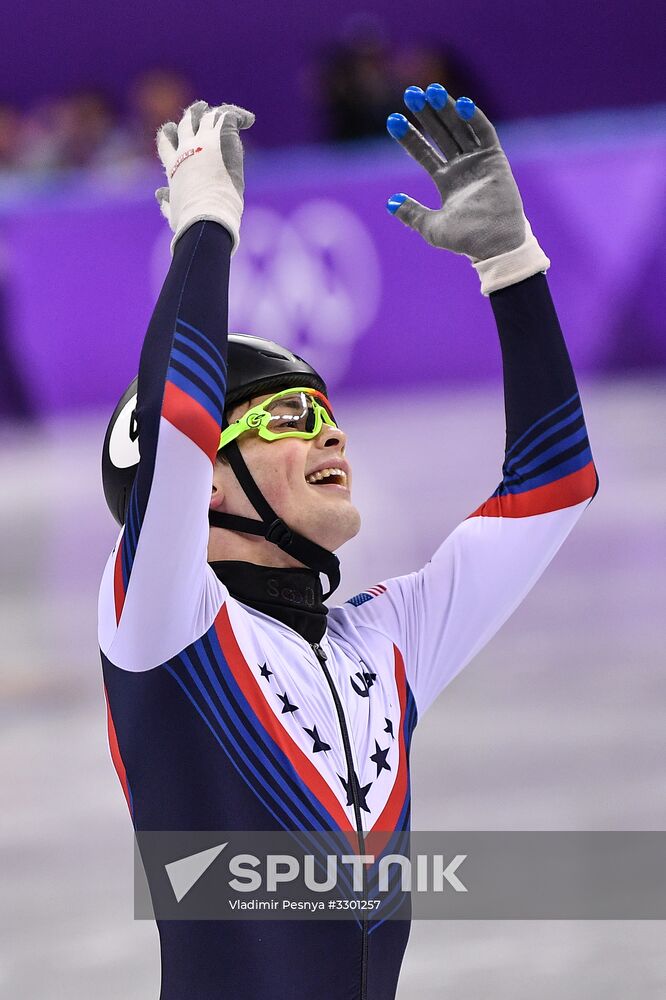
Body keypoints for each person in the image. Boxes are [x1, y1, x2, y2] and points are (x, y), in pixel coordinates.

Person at [99, 89, 597, 999]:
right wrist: (206, 226)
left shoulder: (385, 638)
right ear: (208, 480)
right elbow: (175, 416)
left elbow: (554, 486)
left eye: (329, 413)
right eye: (290, 415)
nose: (331, 435)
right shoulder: (162, 627)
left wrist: (511, 264)